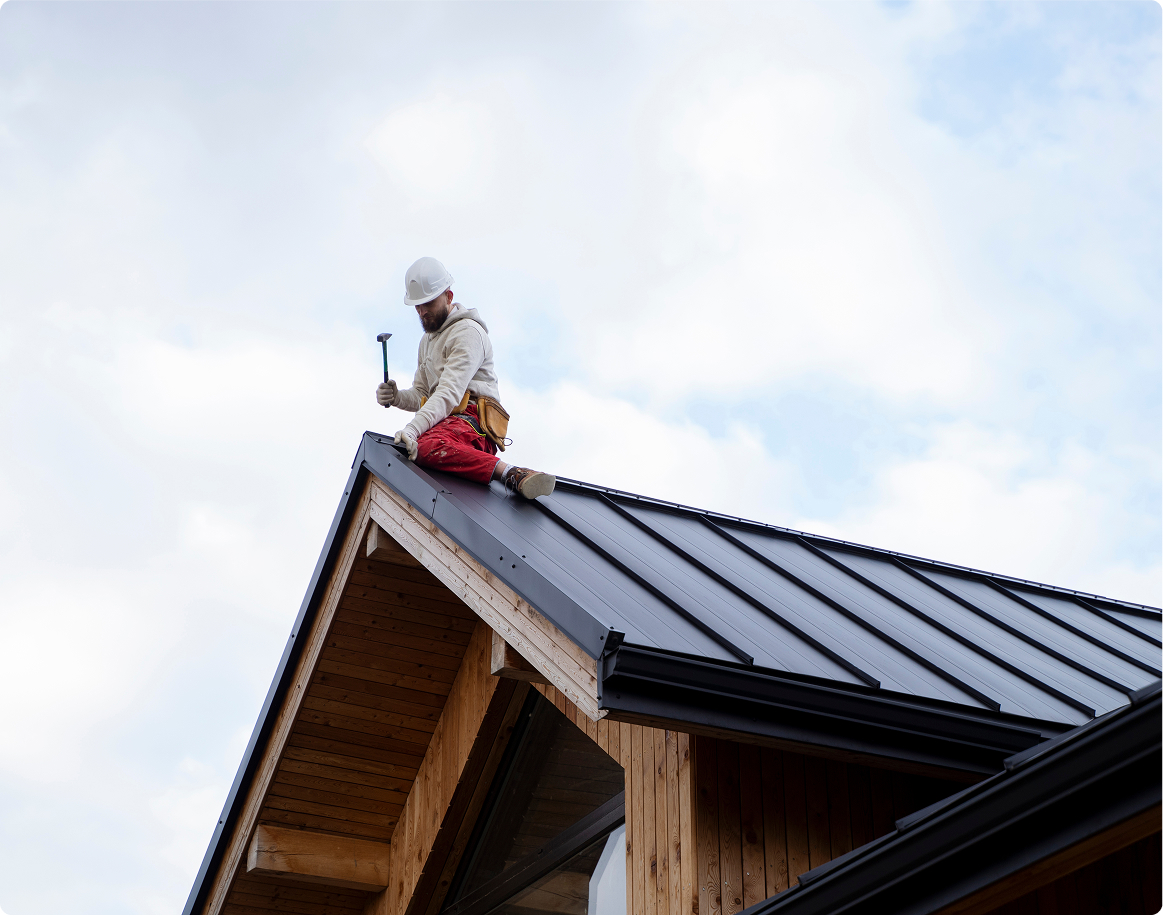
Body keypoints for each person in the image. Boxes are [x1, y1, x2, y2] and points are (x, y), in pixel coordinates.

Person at [375, 257, 556, 500]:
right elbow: (423, 396)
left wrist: (413, 429)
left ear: (449, 297)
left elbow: (448, 394)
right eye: (417, 306)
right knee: (414, 450)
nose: (422, 311)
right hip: (447, 422)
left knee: (425, 447)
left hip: (473, 422)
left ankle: (512, 473)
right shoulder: (426, 342)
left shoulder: (468, 333)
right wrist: (397, 397)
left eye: (428, 303)